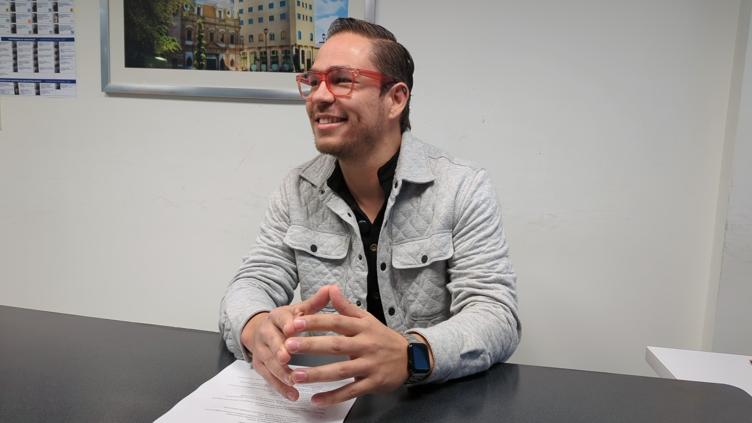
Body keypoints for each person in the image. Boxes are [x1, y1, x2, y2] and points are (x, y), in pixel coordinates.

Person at [219, 17, 520, 406]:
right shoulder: (297, 189)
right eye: (313, 81)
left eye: (341, 80)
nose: (318, 96)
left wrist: (412, 354)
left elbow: (495, 314)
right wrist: (255, 325)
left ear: (395, 99)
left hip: (426, 404)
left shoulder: (462, 187)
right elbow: (251, 282)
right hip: (323, 403)